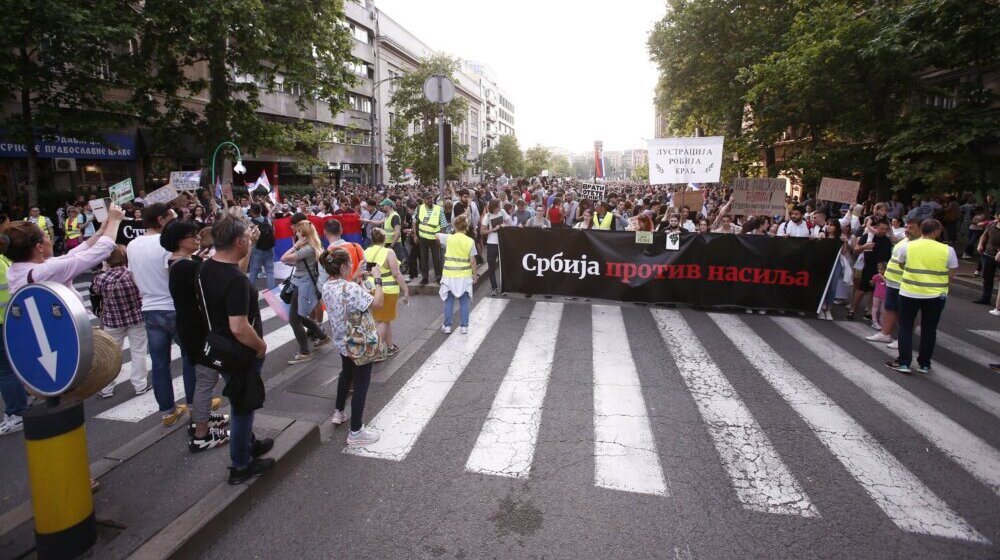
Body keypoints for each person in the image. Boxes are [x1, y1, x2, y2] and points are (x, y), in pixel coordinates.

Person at [198, 216, 275, 483]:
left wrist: (249, 243)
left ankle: (248, 445)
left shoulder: (207, 268)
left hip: (218, 346)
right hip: (240, 351)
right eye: (247, 238)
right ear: (238, 242)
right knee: (243, 408)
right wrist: (261, 347)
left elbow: (236, 266)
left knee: (242, 398)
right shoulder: (237, 281)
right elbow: (239, 327)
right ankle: (241, 465)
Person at [127, 203, 198, 426]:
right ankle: (196, 404)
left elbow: (132, 277)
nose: (177, 223)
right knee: (190, 357)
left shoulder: (132, 245)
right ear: (161, 220)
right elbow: (175, 275)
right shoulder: (167, 244)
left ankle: (167, 410)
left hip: (149, 307)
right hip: (173, 307)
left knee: (159, 363)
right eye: (173, 218)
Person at [163, 220, 230, 453]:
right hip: (197, 330)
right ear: (180, 240)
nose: (197, 238)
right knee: (206, 380)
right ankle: (201, 433)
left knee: (206, 378)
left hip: (192, 327)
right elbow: (217, 277)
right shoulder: (184, 266)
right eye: (192, 235)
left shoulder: (182, 262)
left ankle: (204, 420)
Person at [321, 248, 383, 446]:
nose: (352, 267)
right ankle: (356, 432)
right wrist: (377, 279)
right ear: (342, 266)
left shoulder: (327, 286)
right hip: (358, 342)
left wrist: (356, 279)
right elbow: (378, 303)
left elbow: (345, 295)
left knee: (345, 374)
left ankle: (339, 412)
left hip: (341, 341)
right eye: (349, 264)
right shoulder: (351, 289)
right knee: (361, 384)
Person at [886, 219, 957, 374]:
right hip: (935, 295)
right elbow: (951, 275)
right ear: (936, 231)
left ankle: (904, 362)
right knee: (929, 329)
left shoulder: (907, 246)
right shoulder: (948, 250)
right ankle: (924, 364)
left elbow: (902, 265)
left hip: (909, 292)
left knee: (905, 326)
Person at [91, 245, 149, 398]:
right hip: (136, 318)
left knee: (111, 354)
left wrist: (104, 269)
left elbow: (96, 292)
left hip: (113, 321)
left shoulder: (100, 278)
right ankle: (140, 385)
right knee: (139, 352)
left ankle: (107, 388)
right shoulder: (134, 275)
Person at [280, 220, 331, 364]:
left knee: (294, 319)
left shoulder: (308, 248)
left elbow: (283, 257)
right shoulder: (310, 245)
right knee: (298, 316)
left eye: (297, 231)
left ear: (304, 233)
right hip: (300, 281)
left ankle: (305, 352)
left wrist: (295, 246)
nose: (295, 233)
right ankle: (322, 336)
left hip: (304, 284)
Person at [866, 217, 922, 345]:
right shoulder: (904, 240)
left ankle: (902, 340)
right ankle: (885, 334)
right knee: (890, 308)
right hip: (892, 281)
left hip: (906, 283)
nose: (907, 230)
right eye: (906, 227)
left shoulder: (920, 244)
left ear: (920, 229)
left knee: (907, 313)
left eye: (911, 228)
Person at [363, 228, 409, 356]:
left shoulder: (366, 251)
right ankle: (375, 351)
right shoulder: (389, 252)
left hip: (371, 289)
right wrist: (405, 289)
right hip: (387, 290)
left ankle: (390, 346)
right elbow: (396, 273)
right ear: (384, 239)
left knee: (383, 318)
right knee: (382, 320)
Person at [0, 242, 27, 436]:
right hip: (11, 319)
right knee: (12, 366)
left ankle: (16, 412)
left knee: (5, 371)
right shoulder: (4, 261)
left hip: (3, 321)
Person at [438, 215, 478, 334]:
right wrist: (474, 275)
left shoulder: (448, 238)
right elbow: (472, 261)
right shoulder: (470, 241)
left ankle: (447, 326)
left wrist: (450, 231)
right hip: (464, 275)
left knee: (449, 301)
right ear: (466, 227)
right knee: (464, 301)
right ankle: (464, 326)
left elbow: (436, 235)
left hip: (449, 275)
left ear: (455, 226)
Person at [848, 220, 892, 321]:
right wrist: (864, 247)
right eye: (881, 228)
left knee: (875, 292)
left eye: (886, 229)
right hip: (869, 267)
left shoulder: (888, 240)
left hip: (882, 269)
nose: (884, 231)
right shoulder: (867, 237)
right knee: (861, 290)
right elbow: (855, 250)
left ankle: (869, 312)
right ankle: (852, 310)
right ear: (875, 228)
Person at [481, 198, 509, 296]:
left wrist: (504, 225)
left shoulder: (502, 211)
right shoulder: (487, 216)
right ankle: (494, 287)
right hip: (492, 243)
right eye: (498, 207)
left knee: (504, 265)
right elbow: (482, 232)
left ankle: (504, 287)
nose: (499, 208)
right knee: (491, 266)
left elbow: (508, 222)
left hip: (502, 242)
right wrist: (493, 229)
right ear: (493, 207)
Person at [415, 191, 445, 285]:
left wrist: (440, 237)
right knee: (424, 258)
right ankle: (425, 278)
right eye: (428, 198)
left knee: (436, 258)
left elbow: (443, 224)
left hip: (435, 238)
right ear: (424, 200)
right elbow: (414, 221)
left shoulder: (438, 209)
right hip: (423, 238)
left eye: (431, 198)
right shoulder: (419, 208)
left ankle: (438, 277)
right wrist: (415, 235)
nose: (430, 200)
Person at [246, 203, 276, 290]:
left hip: (257, 249)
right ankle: (273, 293)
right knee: (270, 272)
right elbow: (273, 232)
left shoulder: (251, 223)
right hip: (270, 248)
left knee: (254, 273)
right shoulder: (268, 220)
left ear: (252, 211)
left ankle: (250, 293)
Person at [974, 212, 1000, 305]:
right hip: (988, 255)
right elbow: (984, 235)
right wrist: (980, 244)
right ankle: (985, 298)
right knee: (987, 278)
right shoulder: (992, 224)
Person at [870, 261, 887, 331]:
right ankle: (874, 321)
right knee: (875, 308)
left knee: (883, 310)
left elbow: (887, 284)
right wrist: (872, 282)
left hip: (885, 296)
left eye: (881, 269)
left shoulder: (887, 277)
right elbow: (872, 284)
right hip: (876, 295)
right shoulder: (876, 276)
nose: (879, 271)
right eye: (878, 269)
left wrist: (882, 277)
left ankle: (881, 322)